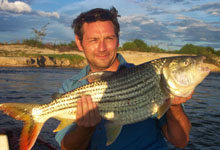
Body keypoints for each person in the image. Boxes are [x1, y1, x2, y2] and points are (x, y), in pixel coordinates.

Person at [55, 7, 192, 150]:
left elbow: (180, 142)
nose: (102, 48)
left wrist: (174, 106)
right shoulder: (70, 87)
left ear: (118, 40)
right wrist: (85, 128)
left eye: (109, 38)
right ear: (79, 43)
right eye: (93, 40)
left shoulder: (150, 75)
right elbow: (67, 148)